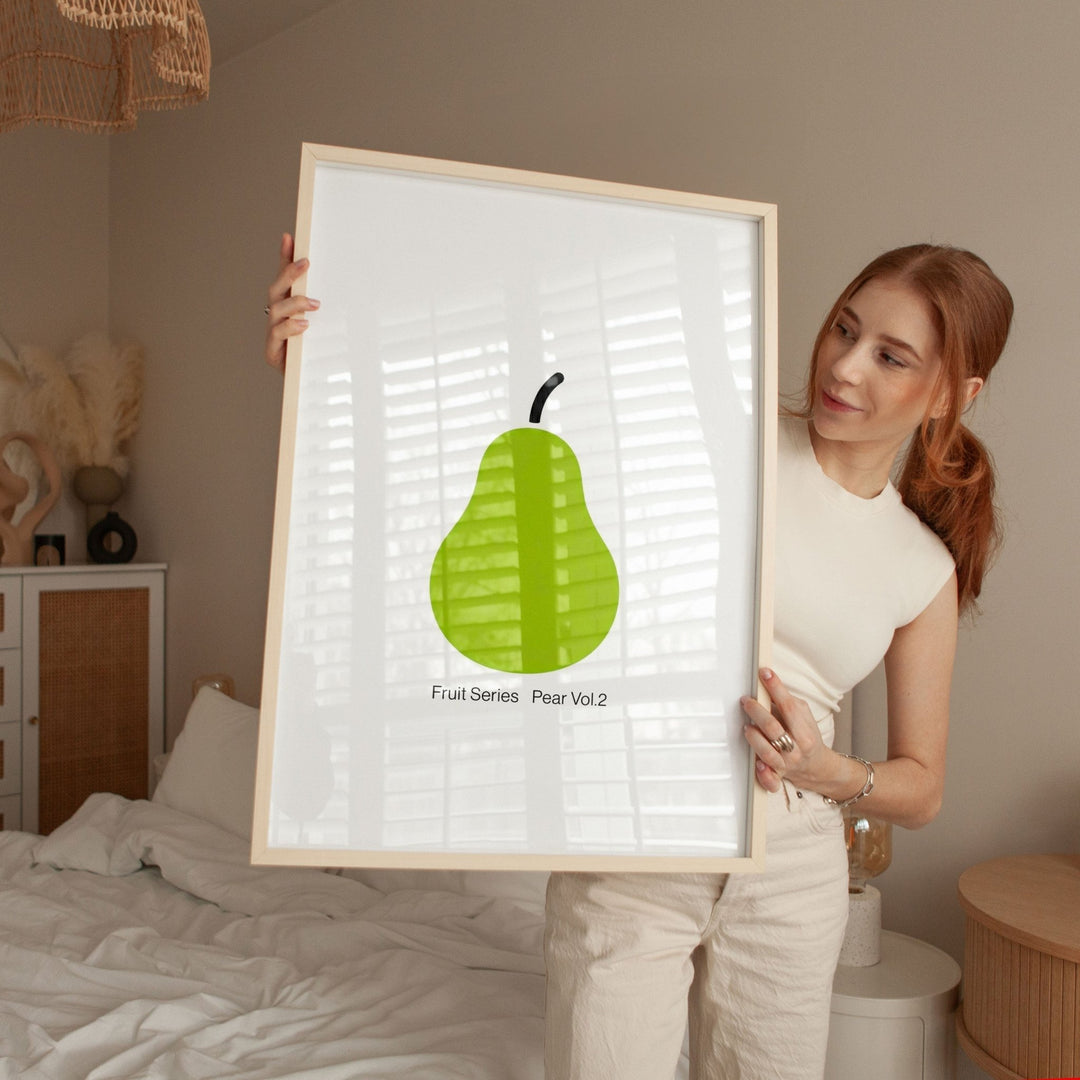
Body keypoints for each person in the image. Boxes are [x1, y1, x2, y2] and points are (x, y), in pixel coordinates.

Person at [265, 234, 1013, 1080]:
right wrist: (317, 363)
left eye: (890, 355)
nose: (844, 368)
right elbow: (484, 440)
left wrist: (828, 769)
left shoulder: (923, 568)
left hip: (793, 870)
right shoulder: (724, 434)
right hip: (635, 837)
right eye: (844, 330)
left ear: (953, 392)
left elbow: (923, 786)